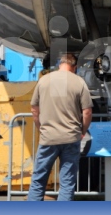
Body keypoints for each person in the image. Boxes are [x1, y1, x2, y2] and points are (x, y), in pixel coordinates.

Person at [27, 53, 93, 201]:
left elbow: (34, 110)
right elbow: (87, 111)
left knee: (39, 179)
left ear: (59, 64)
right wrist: (82, 131)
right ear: (74, 67)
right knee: (67, 182)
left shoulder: (44, 81)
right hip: (71, 137)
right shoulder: (79, 82)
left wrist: (40, 128)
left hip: (48, 137)